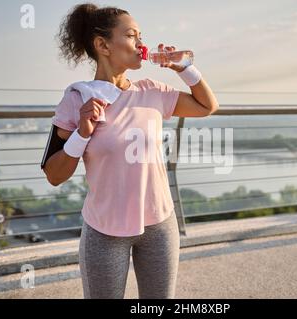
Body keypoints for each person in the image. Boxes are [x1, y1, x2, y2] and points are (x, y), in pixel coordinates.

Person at [41, 3, 219, 299]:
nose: (141, 44)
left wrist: (184, 68)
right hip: (104, 232)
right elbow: (53, 175)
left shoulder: (152, 91)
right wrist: (81, 134)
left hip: (160, 225)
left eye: (141, 36)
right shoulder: (77, 98)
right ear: (103, 45)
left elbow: (207, 106)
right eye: (133, 36)